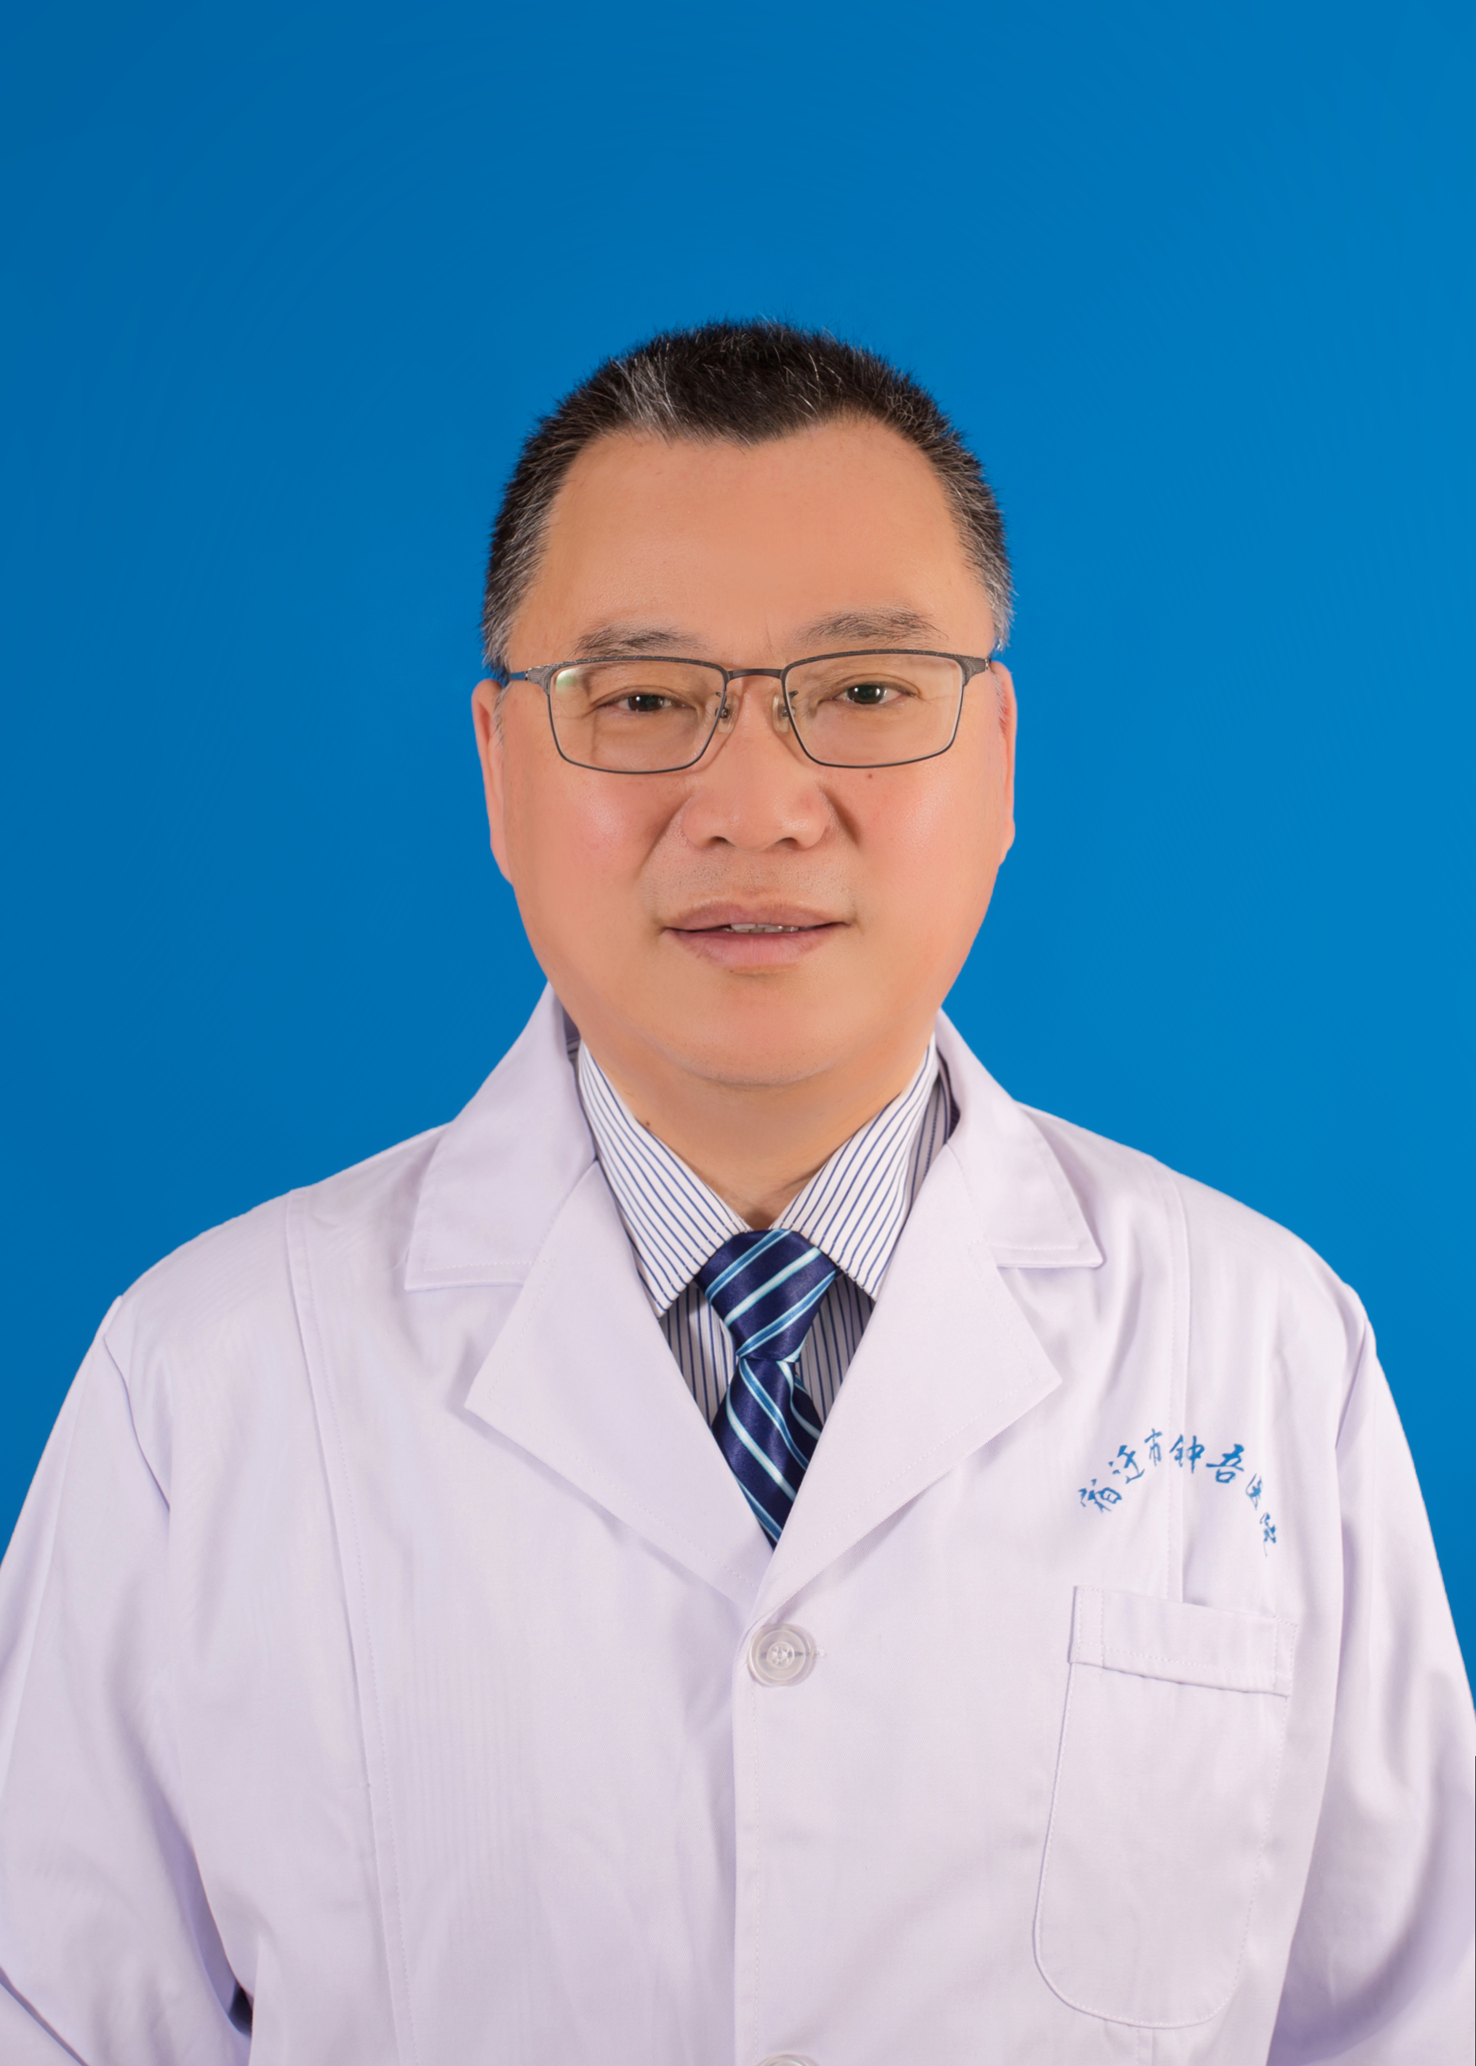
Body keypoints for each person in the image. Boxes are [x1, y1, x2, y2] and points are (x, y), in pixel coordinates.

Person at [0, 321, 1469, 2066]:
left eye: (865, 692)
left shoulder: (1263, 1349)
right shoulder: (209, 1382)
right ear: (498, 764)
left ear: (998, 756)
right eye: (641, 701)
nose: (758, 807)